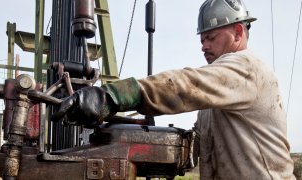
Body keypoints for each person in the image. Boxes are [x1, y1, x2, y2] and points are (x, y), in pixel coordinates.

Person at [53, 0, 296, 179]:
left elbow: (186, 85)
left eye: (211, 37)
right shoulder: (221, 92)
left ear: (238, 32)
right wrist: (128, 130)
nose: (204, 46)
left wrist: (113, 96)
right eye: (202, 40)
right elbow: (196, 144)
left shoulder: (247, 68)